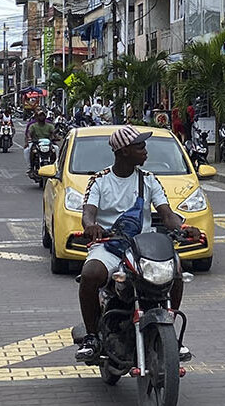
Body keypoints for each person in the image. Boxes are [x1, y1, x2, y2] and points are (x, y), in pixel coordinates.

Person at [74, 126, 189, 362]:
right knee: (90, 274)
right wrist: (91, 226)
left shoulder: (148, 180)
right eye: (140, 146)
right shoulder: (99, 181)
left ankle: (169, 329)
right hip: (109, 245)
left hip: (143, 246)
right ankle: (92, 336)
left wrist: (183, 229)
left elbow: (167, 214)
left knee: (175, 271)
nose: (145, 151)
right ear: (124, 151)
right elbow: (88, 213)